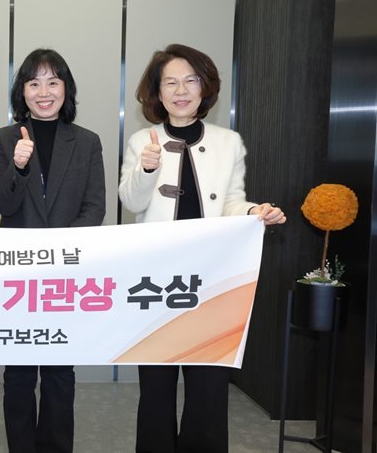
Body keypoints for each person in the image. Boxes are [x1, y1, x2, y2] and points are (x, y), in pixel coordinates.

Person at [119, 43, 286, 452]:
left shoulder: (229, 142)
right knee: (156, 389)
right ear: (157, 93)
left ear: (204, 87)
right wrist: (147, 168)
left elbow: (231, 201)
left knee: (208, 388)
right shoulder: (142, 140)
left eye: (190, 81)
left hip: (213, 280)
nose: (181, 91)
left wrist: (254, 211)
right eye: (170, 83)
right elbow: (131, 202)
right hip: (157, 282)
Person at [0, 49, 105, 452]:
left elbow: (94, 208)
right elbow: (3, 206)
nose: (44, 92)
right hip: (16, 276)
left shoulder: (87, 142)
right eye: (34, 83)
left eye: (53, 82)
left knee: (60, 373)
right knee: (19, 375)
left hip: (65, 275)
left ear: (65, 89)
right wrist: (19, 167)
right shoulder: (4, 139)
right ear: (22, 92)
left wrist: (59, 253)